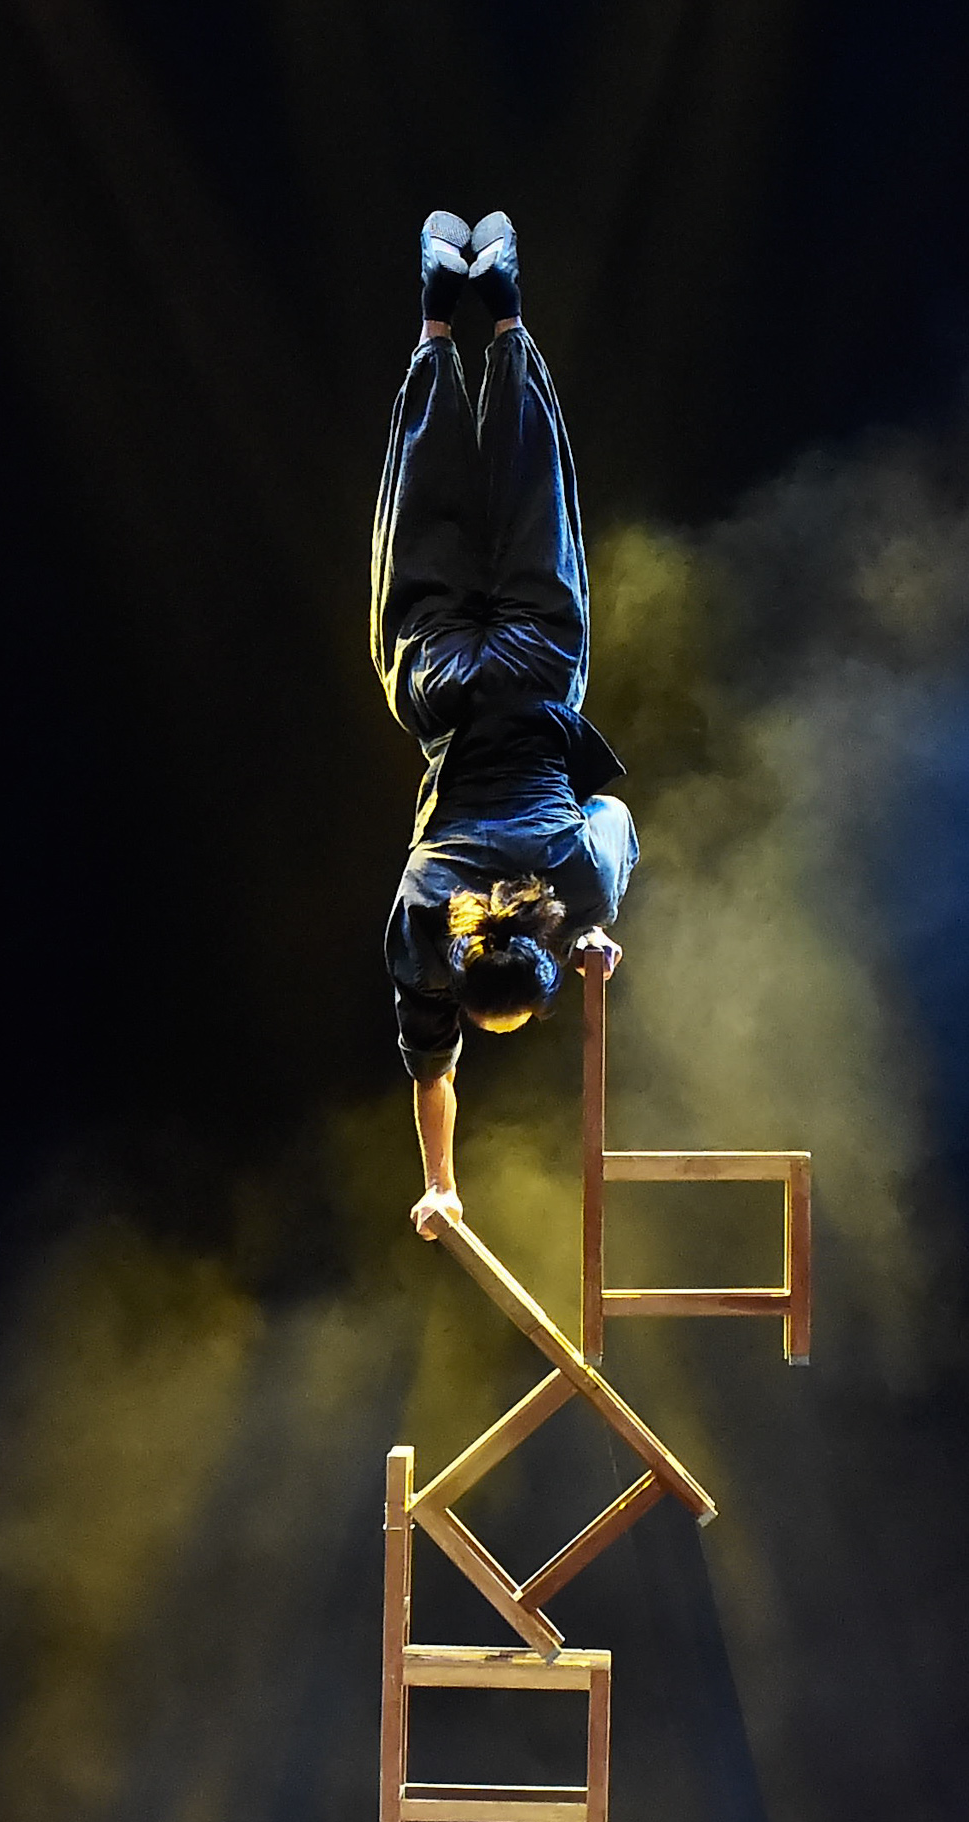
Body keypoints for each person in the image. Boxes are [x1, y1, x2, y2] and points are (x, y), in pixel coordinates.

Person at [373, 207, 639, 1240]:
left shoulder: (574, 887)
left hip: (531, 676)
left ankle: (509, 318)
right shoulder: (418, 922)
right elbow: (431, 1074)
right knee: (424, 511)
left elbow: (615, 805)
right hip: (441, 684)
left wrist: (597, 924)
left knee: (537, 500)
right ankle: (443, 328)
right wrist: (436, 1182)